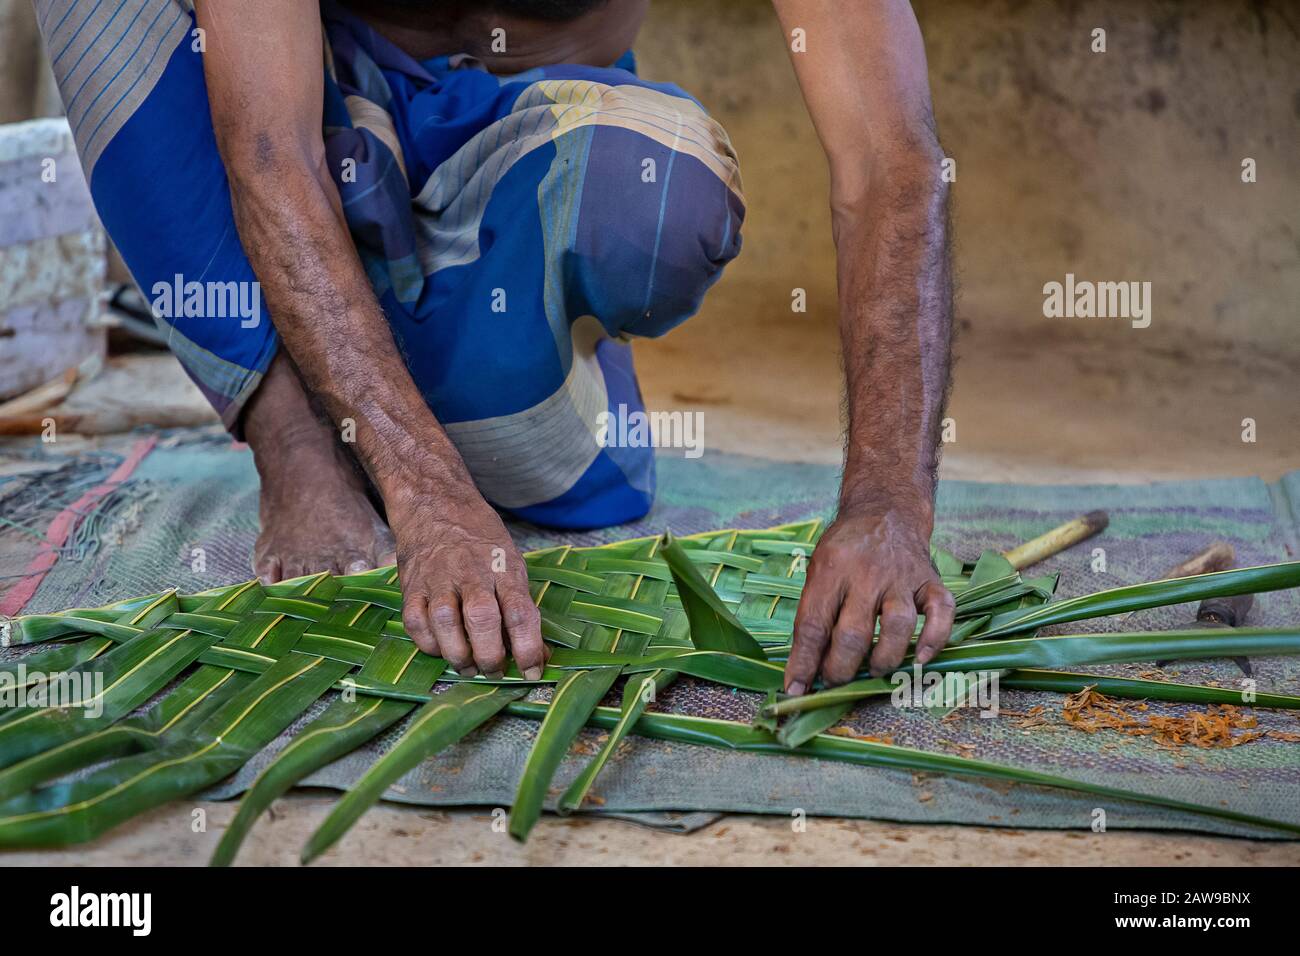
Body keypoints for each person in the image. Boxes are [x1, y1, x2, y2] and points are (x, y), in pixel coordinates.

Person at [35, 0, 954, 693]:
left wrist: (887, 503)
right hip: (321, 131)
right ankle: (301, 443)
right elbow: (270, 148)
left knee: (662, 197)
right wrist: (427, 498)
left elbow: (888, 158)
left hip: (519, 151)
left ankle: (471, 391)